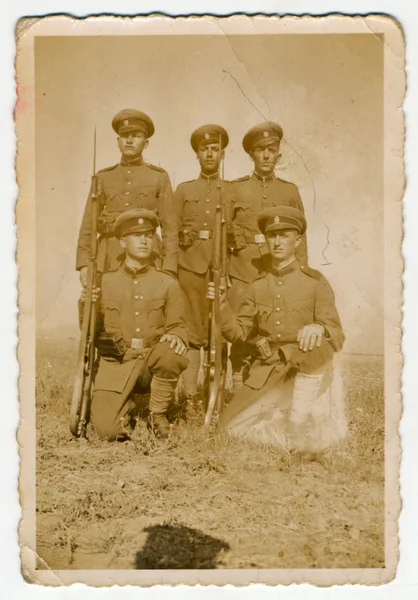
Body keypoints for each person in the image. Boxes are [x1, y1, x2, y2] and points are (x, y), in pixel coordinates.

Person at [208, 206, 346, 453]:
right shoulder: (257, 286)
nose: (278, 242)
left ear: (298, 240)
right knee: (227, 430)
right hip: (269, 368)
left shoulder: (315, 282)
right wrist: (220, 305)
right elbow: (239, 333)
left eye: (285, 235)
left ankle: (297, 425)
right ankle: (280, 420)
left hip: (305, 367)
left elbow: (336, 333)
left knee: (315, 343)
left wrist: (319, 326)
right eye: (272, 236)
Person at [82, 209, 188, 441]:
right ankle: (124, 404)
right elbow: (89, 330)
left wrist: (177, 336)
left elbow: (178, 326)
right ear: (122, 242)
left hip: (150, 361)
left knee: (172, 352)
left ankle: (157, 413)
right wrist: (85, 305)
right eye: (136, 235)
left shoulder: (167, 283)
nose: (144, 240)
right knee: (107, 432)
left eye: (149, 235)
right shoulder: (104, 281)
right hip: (116, 363)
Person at [227, 121, 308, 392]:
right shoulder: (234, 189)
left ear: (278, 155)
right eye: (260, 151)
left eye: (271, 150)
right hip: (242, 273)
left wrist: (302, 273)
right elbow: (224, 234)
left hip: (276, 272)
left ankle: (271, 387)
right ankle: (238, 388)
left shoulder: (289, 191)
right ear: (251, 155)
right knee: (242, 331)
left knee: (275, 329)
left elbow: (301, 236)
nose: (265, 156)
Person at [76, 109, 178, 284]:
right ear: (118, 141)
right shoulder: (103, 177)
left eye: (136, 135)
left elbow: (169, 226)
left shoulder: (158, 176)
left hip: (148, 257)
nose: (129, 140)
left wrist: (169, 266)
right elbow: (89, 223)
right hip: (109, 256)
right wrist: (84, 263)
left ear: (145, 143)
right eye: (125, 136)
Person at [174, 124, 229, 400]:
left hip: (221, 270)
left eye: (215, 149)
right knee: (192, 332)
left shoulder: (231, 191)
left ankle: (215, 396)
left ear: (222, 154)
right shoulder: (184, 190)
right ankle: (189, 398)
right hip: (190, 269)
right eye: (204, 149)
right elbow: (171, 232)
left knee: (219, 332)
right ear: (197, 154)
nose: (209, 154)